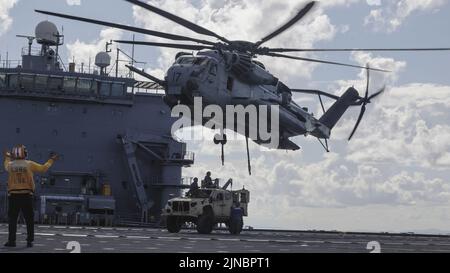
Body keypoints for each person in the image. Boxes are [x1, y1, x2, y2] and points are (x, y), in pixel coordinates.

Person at [3, 145, 58, 248]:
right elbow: (43, 169)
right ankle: (29, 241)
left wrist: (7, 157)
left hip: (13, 195)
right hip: (27, 195)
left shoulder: (10, 165)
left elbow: (5, 166)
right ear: (25, 153)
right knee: (29, 219)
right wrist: (51, 160)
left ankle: (12, 241)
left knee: (13, 220)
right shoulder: (29, 164)